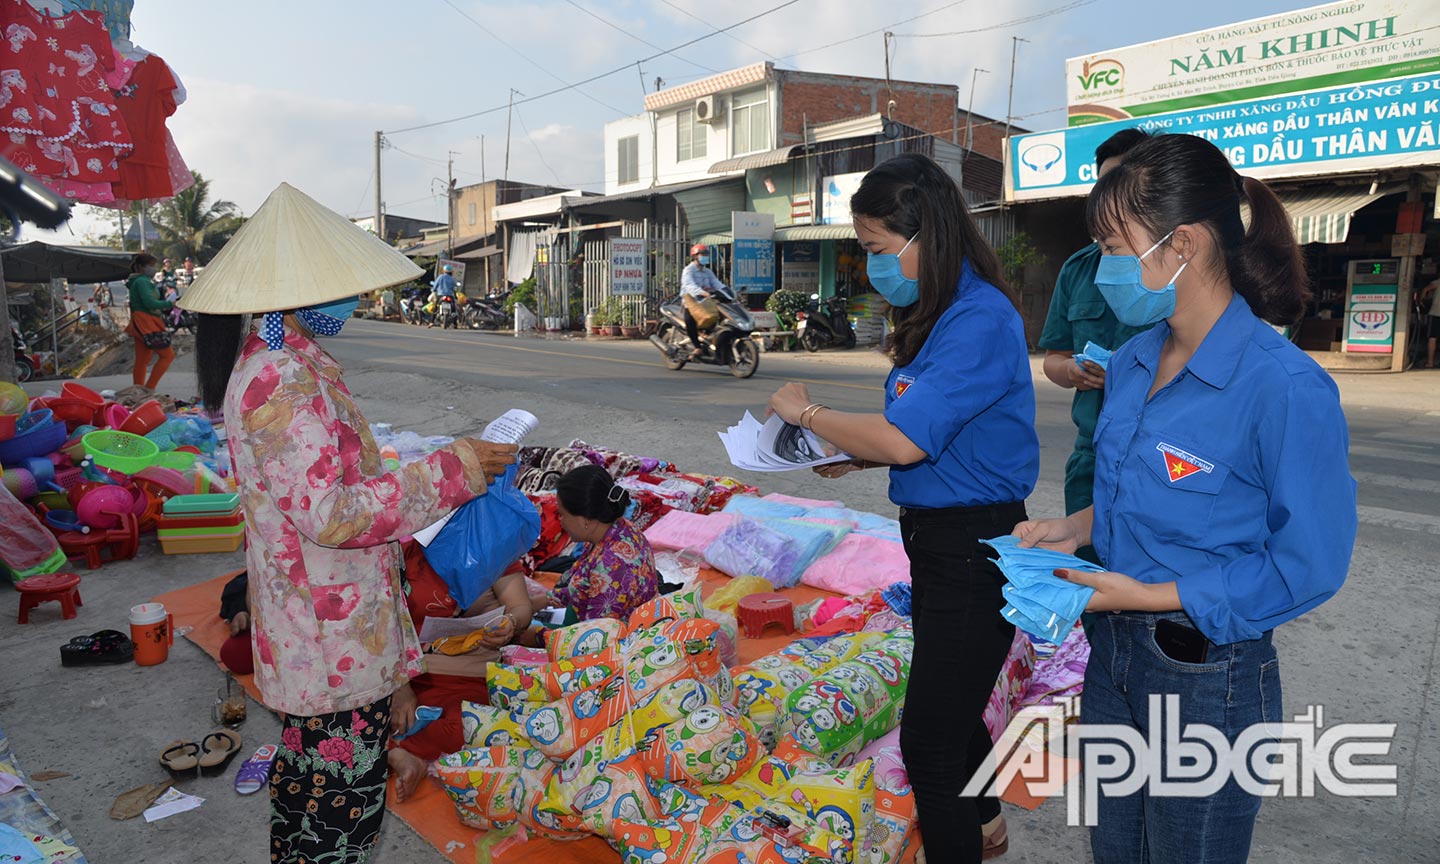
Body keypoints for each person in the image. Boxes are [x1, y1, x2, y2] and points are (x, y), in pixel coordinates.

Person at [1014, 133, 1357, 864]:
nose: (1102, 268)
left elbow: (1309, 565)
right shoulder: (1133, 361)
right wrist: (1073, 529)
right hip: (1111, 655)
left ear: (1184, 244)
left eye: (1114, 248)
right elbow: (1139, 497)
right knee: (1116, 849)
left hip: (1206, 678)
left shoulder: (1283, 387)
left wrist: (1143, 596)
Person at [185, 182, 518, 864]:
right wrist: (454, 470)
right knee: (337, 819)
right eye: (342, 287)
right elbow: (333, 515)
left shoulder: (287, 362)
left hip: (330, 628)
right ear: (296, 294)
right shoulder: (280, 378)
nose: (354, 299)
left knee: (314, 800)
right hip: (327, 640)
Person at [765, 152, 1038, 864]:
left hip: (972, 547)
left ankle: (969, 836)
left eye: (879, 248)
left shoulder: (977, 318)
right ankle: (986, 826)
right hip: (941, 539)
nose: (871, 265)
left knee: (929, 743)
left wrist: (808, 413)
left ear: (927, 237)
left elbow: (908, 440)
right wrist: (857, 452)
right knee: (954, 701)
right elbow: (925, 433)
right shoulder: (941, 311)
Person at [1038, 128, 1151, 564]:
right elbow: (1053, 359)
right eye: (1104, 185)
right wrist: (1071, 372)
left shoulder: (1173, 268)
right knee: (1088, 574)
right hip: (1092, 453)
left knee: (1143, 577)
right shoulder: (1078, 269)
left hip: (1153, 450)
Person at [386, 542, 535, 802]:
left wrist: (510, 623)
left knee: (470, 728)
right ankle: (400, 750)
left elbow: (521, 607)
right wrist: (399, 684)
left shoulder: (494, 546)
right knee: (346, 722)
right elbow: (375, 624)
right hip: (403, 673)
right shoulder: (398, 547)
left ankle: (395, 750)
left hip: (467, 677)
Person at [548, 464, 659, 622]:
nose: (561, 521)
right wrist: (545, 600)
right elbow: (582, 588)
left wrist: (537, 633)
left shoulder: (612, 566)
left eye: (562, 515)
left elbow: (595, 632)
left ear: (585, 520)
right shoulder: (615, 529)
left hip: (618, 633)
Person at [123, 253, 174, 390]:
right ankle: (149, 389)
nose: (154, 269)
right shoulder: (143, 281)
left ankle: (138, 391)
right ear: (141, 267)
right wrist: (170, 303)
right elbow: (149, 303)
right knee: (167, 355)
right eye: (151, 266)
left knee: (142, 360)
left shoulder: (136, 281)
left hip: (139, 322)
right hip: (147, 322)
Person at [680, 242, 727, 359]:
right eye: (703, 254)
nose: (705, 256)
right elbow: (689, 285)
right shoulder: (688, 270)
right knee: (689, 321)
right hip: (691, 303)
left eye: (706, 254)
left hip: (707, 302)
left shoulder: (708, 272)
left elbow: (716, 283)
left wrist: (727, 291)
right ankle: (697, 346)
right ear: (695, 256)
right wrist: (701, 292)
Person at [1419, 265, 1440, 368]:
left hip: (1436, 313)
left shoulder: (1438, 282)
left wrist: (1421, 301)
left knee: (1432, 338)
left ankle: (1430, 363)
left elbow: (1425, 289)